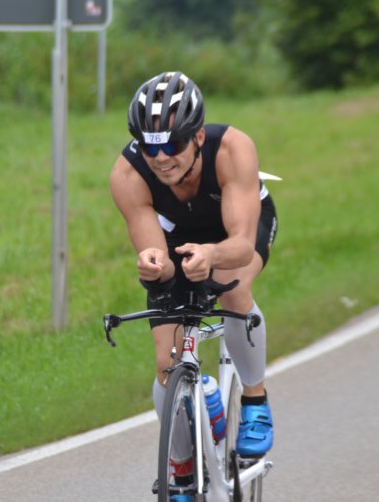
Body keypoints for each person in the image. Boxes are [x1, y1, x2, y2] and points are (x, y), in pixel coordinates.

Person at [109, 71, 279, 475]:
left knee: (231, 286)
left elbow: (241, 245)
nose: (161, 158)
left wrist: (211, 254)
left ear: (198, 136)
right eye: (150, 147)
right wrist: (153, 263)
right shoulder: (128, 175)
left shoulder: (232, 149)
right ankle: (182, 471)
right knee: (165, 364)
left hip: (236, 231)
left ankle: (254, 401)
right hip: (177, 235)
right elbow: (162, 262)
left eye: (173, 144)